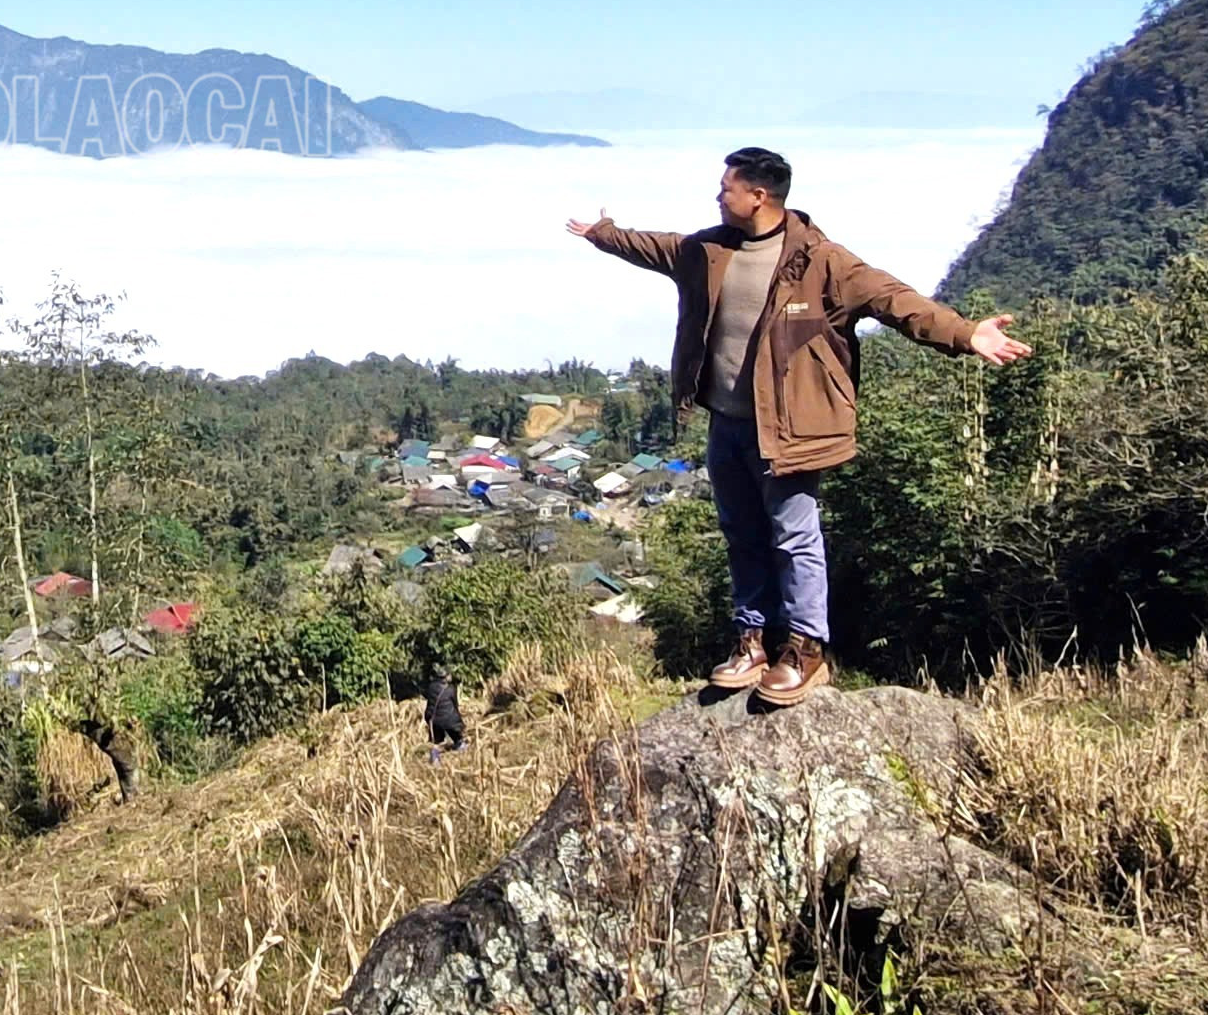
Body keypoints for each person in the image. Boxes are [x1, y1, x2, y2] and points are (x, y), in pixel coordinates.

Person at [567, 146, 1031, 707]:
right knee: (741, 535)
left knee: (794, 537)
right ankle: (753, 641)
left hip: (788, 430)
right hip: (726, 425)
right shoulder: (710, 251)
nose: (718, 196)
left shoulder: (822, 262)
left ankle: (807, 650)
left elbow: (895, 300)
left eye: (726, 188)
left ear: (759, 196)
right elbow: (655, 246)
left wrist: (967, 334)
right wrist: (603, 233)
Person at [423, 665, 466, 759]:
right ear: (446, 676)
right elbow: (455, 706)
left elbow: (430, 704)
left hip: (434, 720)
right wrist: (461, 723)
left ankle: (435, 760)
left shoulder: (431, 687)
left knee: (436, 742)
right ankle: (462, 757)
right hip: (449, 720)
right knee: (458, 739)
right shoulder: (451, 689)